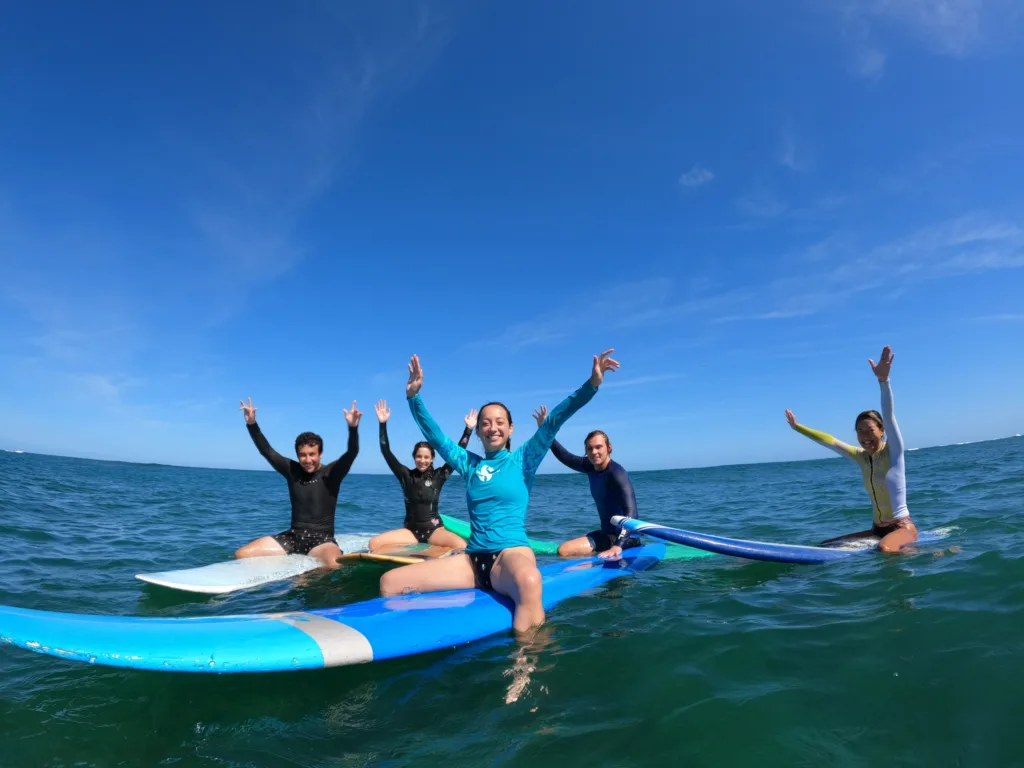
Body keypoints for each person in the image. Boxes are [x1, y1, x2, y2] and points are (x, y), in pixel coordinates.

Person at [379, 349, 620, 634]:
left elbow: (555, 419)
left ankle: (523, 670)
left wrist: (591, 385)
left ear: (510, 429)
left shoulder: (523, 460)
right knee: (390, 582)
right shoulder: (469, 464)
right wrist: (413, 398)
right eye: (485, 423)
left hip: (510, 556)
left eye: (499, 422)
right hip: (472, 561)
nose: (492, 427)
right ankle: (411, 639)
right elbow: (438, 439)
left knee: (530, 581)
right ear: (479, 432)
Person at [785, 346, 918, 553]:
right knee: (827, 546)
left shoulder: (894, 452)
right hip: (877, 529)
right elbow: (830, 441)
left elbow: (890, 416)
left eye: (870, 430)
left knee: (884, 548)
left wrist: (884, 381)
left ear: (882, 430)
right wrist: (798, 428)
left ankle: (923, 554)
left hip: (902, 527)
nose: (864, 437)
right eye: (859, 432)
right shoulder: (861, 457)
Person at [235, 397, 361, 567]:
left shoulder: (331, 473)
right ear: (297, 455)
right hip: (293, 537)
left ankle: (313, 578)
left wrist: (353, 428)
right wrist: (252, 424)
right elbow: (267, 451)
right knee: (242, 554)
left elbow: (351, 453)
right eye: (303, 455)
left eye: (312, 454)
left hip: (321, 541)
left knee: (334, 563)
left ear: (320, 454)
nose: (307, 459)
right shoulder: (292, 470)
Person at [531, 409, 640, 559]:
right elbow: (565, 456)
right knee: (571, 547)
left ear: (609, 448)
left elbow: (631, 512)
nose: (594, 452)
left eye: (598, 447)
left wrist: (618, 546)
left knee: (564, 550)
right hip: (607, 534)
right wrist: (546, 430)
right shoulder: (590, 466)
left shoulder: (617, 473)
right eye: (590, 448)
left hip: (625, 539)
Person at [368, 399, 474, 551]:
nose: (422, 460)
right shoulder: (405, 475)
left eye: (426, 457)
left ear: (432, 459)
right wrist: (382, 424)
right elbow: (386, 451)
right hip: (410, 531)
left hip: (435, 531)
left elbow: (456, 454)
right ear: (414, 457)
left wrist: (468, 430)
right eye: (419, 456)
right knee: (374, 544)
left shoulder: (439, 476)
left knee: (461, 545)